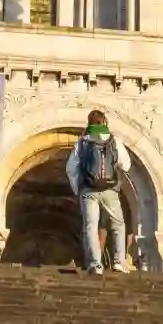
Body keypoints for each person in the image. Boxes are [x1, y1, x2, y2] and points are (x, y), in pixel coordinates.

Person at [66, 110, 133, 275]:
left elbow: (70, 168)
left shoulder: (82, 142)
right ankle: (119, 261)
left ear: (89, 123)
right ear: (104, 123)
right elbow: (126, 165)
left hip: (88, 190)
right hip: (110, 190)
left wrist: (77, 188)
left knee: (90, 225)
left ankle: (95, 264)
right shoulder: (113, 140)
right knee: (118, 224)